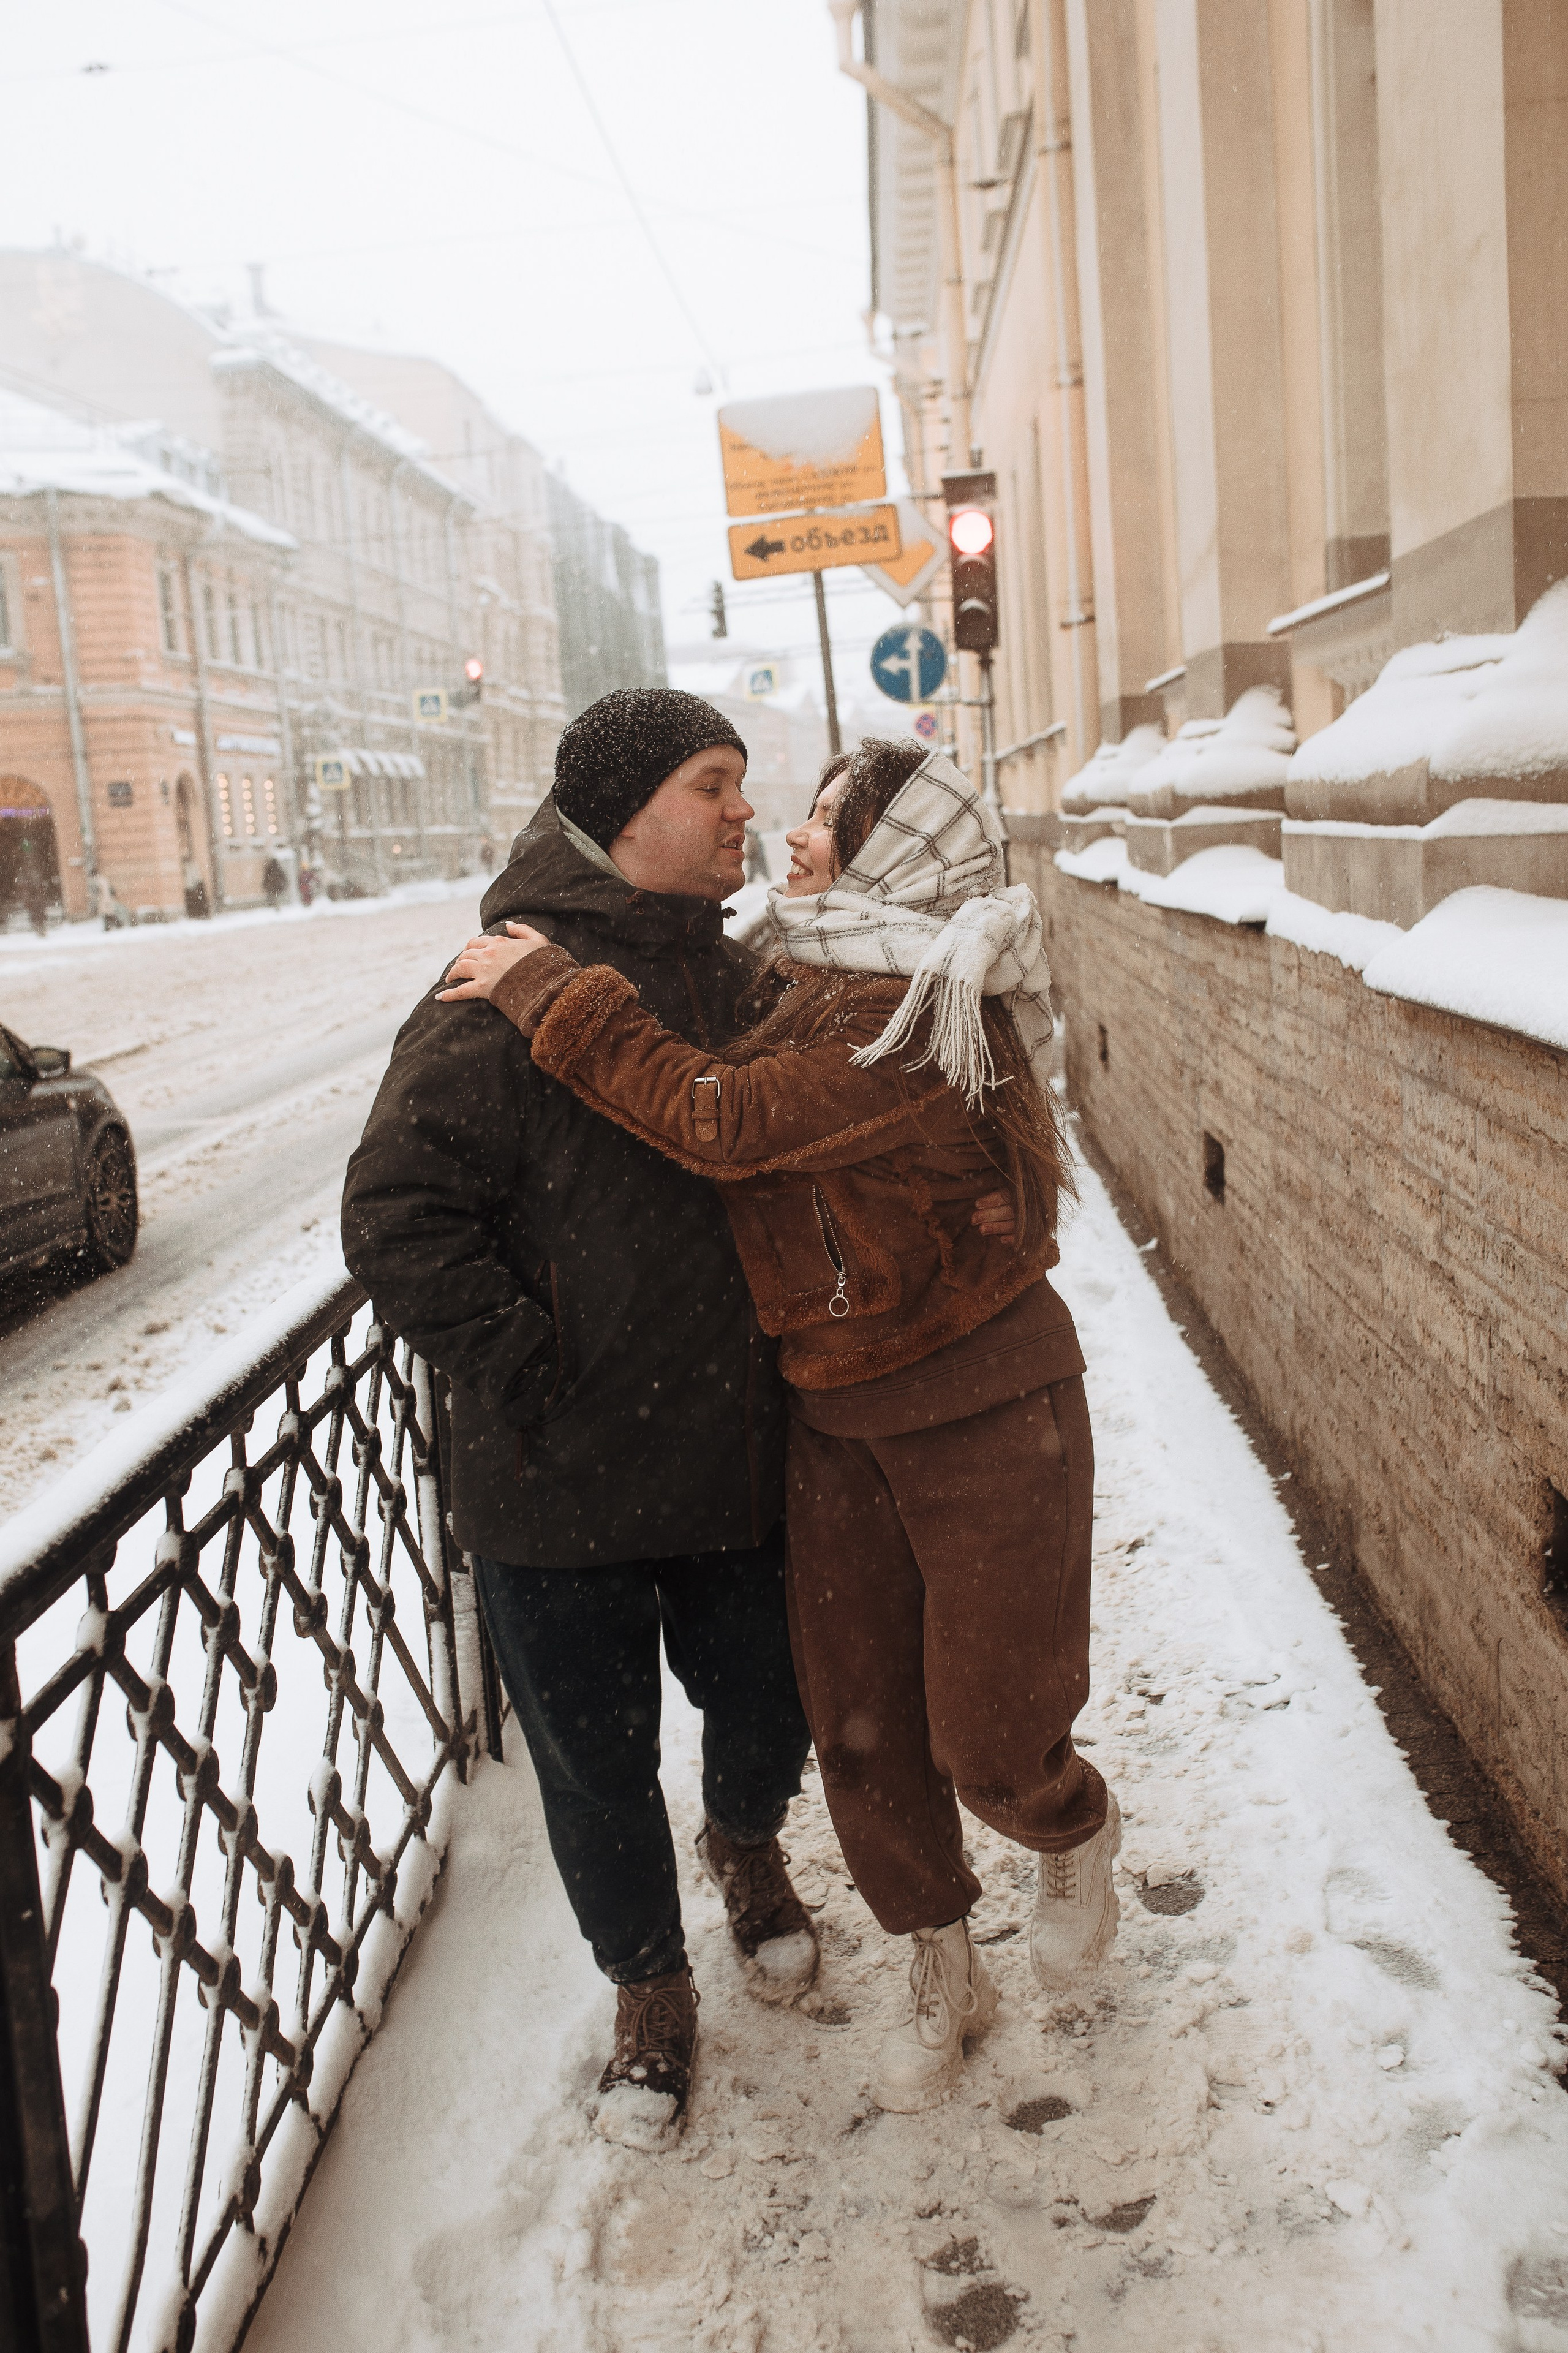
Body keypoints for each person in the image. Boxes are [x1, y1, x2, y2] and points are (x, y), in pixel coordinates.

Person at [439, 736, 1122, 2118]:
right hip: (827, 1414)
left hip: (978, 1397)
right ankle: (940, 1959)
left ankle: (1069, 1828)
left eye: (824, 818)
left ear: (899, 855)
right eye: (782, 808)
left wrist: (555, 997)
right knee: (860, 1725)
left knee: (989, 1731)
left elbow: (725, 1119)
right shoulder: (792, 965)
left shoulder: (907, 995)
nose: (789, 834)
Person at [347, 693, 989, 2149]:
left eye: (743, 785)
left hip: (735, 1448)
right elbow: (394, 1216)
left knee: (769, 1699)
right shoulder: (498, 986)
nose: (741, 812)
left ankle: (747, 1847)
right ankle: (648, 1988)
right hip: (550, 1477)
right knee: (594, 1761)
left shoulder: (740, 971)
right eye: (714, 785)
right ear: (627, 810)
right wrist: (534, 1364)